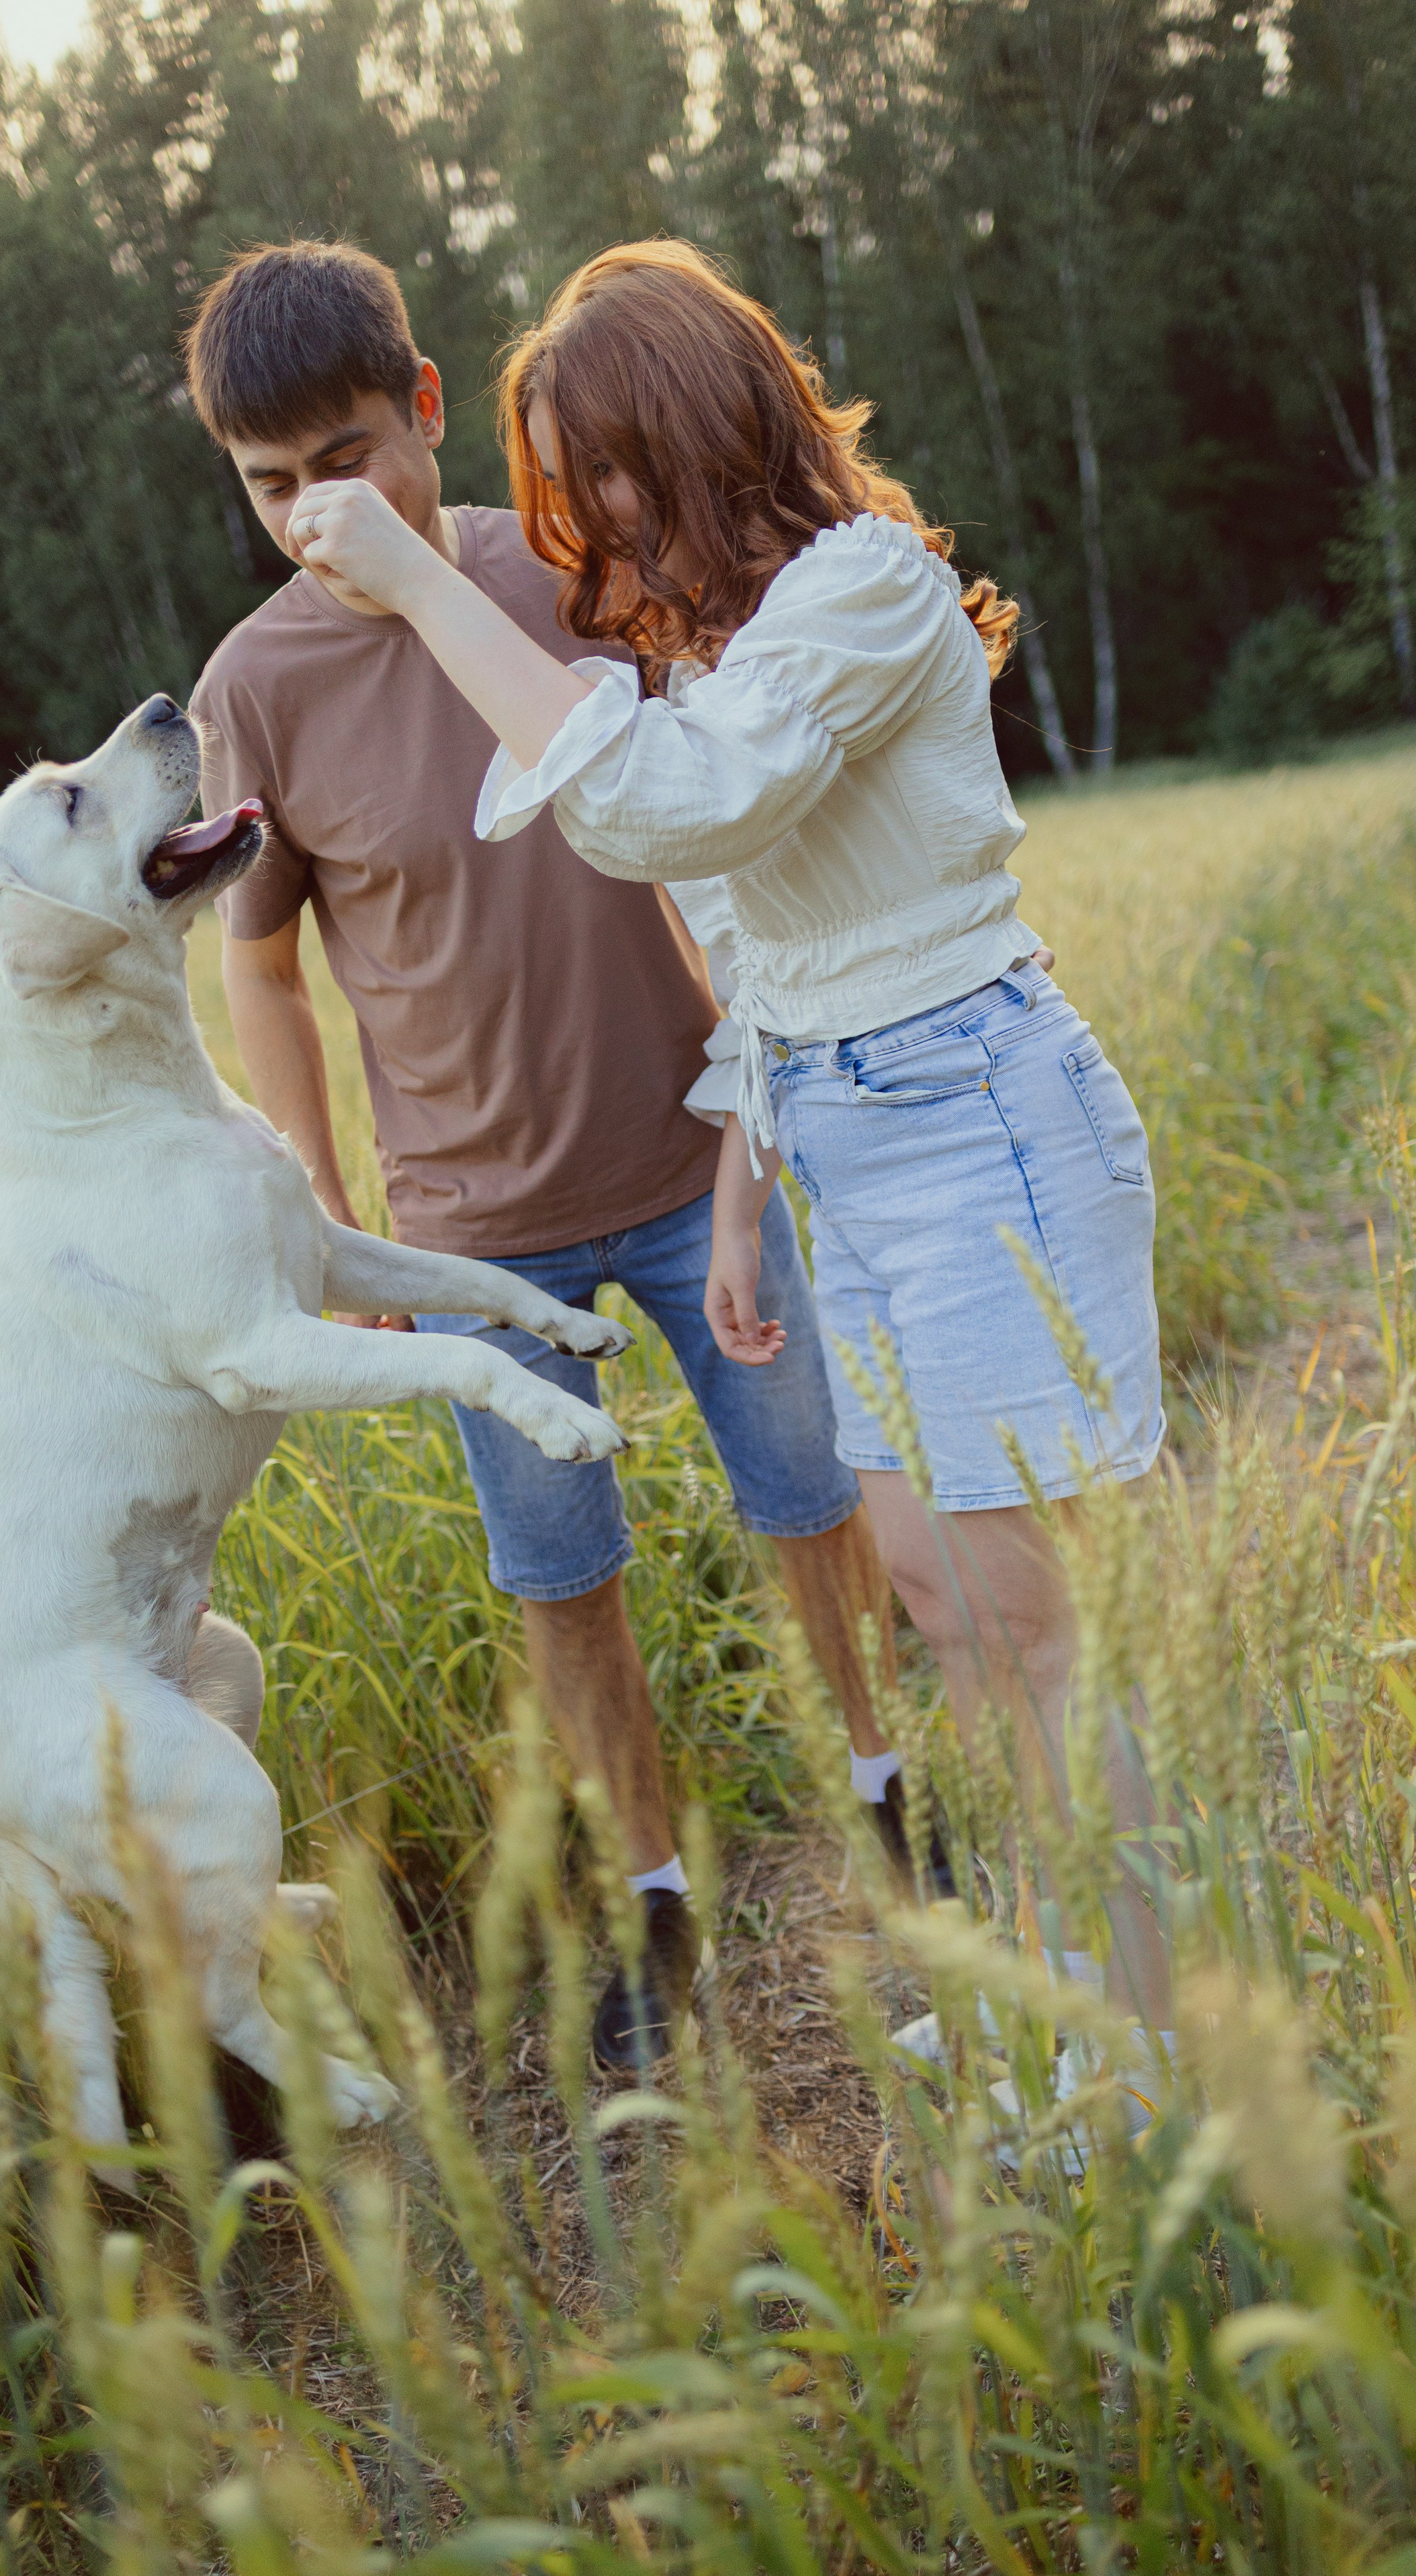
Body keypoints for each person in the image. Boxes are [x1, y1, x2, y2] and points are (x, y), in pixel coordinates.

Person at [281, 239, 1174, 2033]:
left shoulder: (864, 593)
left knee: (1032, 1627)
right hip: (852, 1148)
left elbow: (671, 814)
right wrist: (749, 1197)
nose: (590, 522)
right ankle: (1075, 1983)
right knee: (932, 1592)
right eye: (568, 486)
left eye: (606, 470)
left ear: (697, 429)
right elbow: (772, 961)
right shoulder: (735, 654)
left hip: (982, 1121)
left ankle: (1152, 2042)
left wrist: (420, 591)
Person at [183, 241, 932, 2072]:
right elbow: (259, 957)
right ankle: (656, 1909)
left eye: (347, 461)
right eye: (270, 484)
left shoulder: (567, 579)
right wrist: (327, 1199)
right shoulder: (254, 691)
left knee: (812, 1501)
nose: (312, 514)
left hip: (693, 1173)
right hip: (469, 1235)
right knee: (560, 1581)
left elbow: (733, 802)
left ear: (428, 412)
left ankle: (895, 1802)